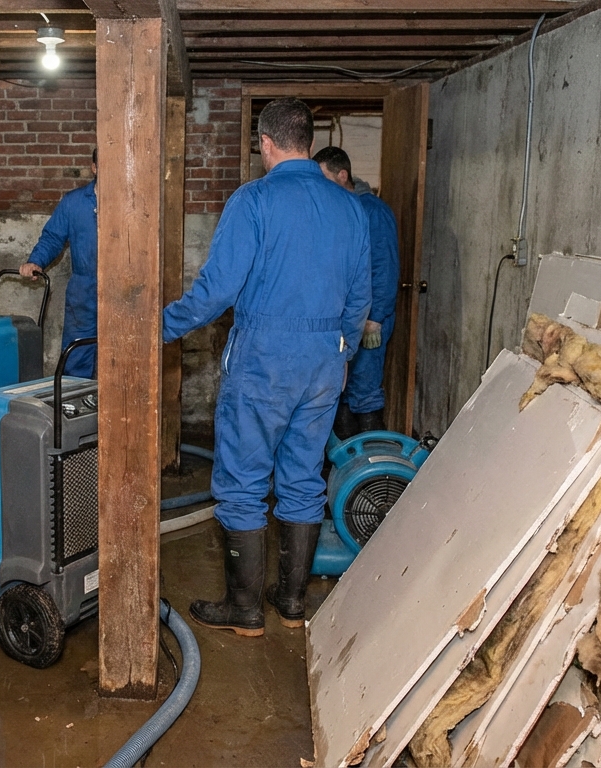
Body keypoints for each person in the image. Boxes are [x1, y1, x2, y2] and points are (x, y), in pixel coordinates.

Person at [163, 99, 371, 637]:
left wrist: (160, 326)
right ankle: (292, 602)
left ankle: (245, 609)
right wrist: (341, 352)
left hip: (264, 359)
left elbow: (217, 290)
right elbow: (360, 296)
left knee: (242, 480)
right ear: (309, 141)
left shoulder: (253, 201)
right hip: (324, 361)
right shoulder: (351, 207)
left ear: (265, 144)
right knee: (303, 478)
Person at [313, 146, 400, 436]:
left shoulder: (373, 211)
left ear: (342, 175)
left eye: (325, 178)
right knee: (341, 391)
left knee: (364, 390)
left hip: (368, 322)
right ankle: (346, 460)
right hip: (346, 320)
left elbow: (384, 267)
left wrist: (374, 318)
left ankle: (370, 460)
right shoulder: (338, 211)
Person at [20, 149, 98, 378]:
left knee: (124, 349)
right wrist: (36, 261)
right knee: (77, 352)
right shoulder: (74, 203)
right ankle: (74, 398)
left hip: (124, 289)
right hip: (84, 289)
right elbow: (53, 237)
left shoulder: (131, 202)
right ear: (94, 168)